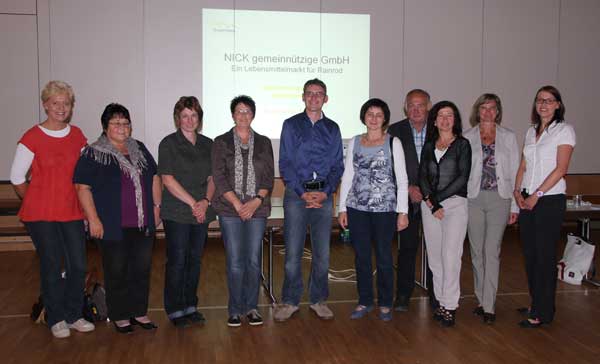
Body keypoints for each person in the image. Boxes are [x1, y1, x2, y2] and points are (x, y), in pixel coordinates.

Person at [10, 80, 94, 338]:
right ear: (45, 105)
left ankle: (74, 314)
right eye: (55, 103)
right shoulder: (31, 137)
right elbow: (16, 178)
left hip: (71, 212)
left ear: (71, 107)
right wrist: (34, 199)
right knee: (51, 265)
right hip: (41, 215)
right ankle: (55, 317)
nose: (60, 107)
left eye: (65, 103)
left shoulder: (78, 135)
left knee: (78, 265)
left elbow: (84, 175)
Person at [74, 103, 161, 334]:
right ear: (105, 126)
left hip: (142, 223)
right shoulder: (93, 152)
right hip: (111, 225)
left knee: (141, 269)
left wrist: (157, 206)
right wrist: (93, 219)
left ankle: (139, 312)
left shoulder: (139, 148)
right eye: (116, 123)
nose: (122, 127)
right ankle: (120, 315)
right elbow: (83, 188)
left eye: (125, 123)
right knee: (116, 270)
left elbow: (154, 177)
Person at [275, 78, 344, 321]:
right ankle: (290, 301)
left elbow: (337, 165)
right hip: (296, 195)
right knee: (293, 253)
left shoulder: (333, 128)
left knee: (322, 254)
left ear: (326, 98)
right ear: (303, 96)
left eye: (319, 94)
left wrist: (325, 192)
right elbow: (285, 163)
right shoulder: (291, 125)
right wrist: (303, 192)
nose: (314, 97)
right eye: (310, 93)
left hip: (324, 197)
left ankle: (318, 300)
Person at [338, 98, 409, 321]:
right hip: (357, 208)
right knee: (361, 257)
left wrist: (403, 211)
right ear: (364, 117)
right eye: (370, 114)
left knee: (384, 257)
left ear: (385, 118)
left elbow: (403, 179)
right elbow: (348, 175)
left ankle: (386, 302)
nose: (374, 118)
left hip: (385, 210)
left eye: (379, 115)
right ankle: (365, 301)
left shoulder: (393, 143)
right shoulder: (355, 141)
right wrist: (342, 208)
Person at [514, 85, 575, 328]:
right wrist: (517, 192)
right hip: (527, 199)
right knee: (530, 255)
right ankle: (536, 302)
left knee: (545, 257)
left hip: (548, 200)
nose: (543, 104)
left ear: (558, 105)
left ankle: (543, 312)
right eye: (540, 100)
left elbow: (561, 169)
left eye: (549, 101)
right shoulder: (531, 132)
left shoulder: (564, 131)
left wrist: (537, 194)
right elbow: (523, 166)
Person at [212, 95, 274, 327]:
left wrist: (256, 201)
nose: (243, 115)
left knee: (253, 261)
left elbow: (268, 177)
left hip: (257, 209)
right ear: (232, 115)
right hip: (230, 210)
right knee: (236, 261)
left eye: (248, 111)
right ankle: (235, 309)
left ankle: (252, 308)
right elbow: (218, 176)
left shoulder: (265, 142)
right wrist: (238, 205)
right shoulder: (221, 142)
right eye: (239, 111)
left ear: (253, 115)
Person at [158, 96, 216, 327]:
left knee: (195, 260)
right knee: (177, 260)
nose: (189, 120)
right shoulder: (168, 144)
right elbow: (167, 180)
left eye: (194, 115)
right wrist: (194, 204)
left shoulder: (208, 144)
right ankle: (175, 308)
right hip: (177, 212)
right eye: (185, 116)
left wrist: (205, 201)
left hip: (202, 210)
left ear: (199, 118)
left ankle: (190, 305)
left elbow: (213, 178)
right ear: (177, 119)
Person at [464, 94, 520, 324]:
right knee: (476, 252)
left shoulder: (508, 137)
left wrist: (516, 205)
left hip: (500, 199)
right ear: (478, 111)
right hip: (473, 199)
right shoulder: (467, 137)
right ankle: (480, 298)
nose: (487, 112)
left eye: (492, 108)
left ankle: (490, 304)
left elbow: (517, 172)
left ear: (498, 112)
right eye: (483, 108)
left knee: (492, 250)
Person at [419, 100, 471, 327]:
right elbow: (422, 177)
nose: (445, 119)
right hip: (429, 206)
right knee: (435, 259)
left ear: (455, 119)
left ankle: (450, 305)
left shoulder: (463, 145)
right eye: (441, 115)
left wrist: (436, 201)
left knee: (451, 257)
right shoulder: (429, 145)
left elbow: (462, 177)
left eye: (449, 115)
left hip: (455, 206)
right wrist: (431, 202)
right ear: (435, 120)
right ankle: (440, 301)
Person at [388, 89, 438, 312]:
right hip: (405, 198)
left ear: (429, 106)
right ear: (405, 107)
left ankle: (437, 294)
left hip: (434, 199)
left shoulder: (440, 128)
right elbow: (388, 165)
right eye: (411, 105)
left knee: (436, 249)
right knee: (407, 249)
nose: (416, 109)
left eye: (420, 105)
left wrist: (426, 191)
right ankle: (403, 295)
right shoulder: (395, 130)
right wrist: (408, 188)